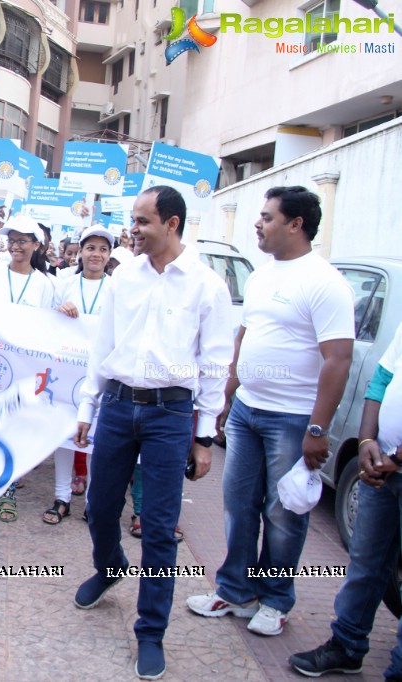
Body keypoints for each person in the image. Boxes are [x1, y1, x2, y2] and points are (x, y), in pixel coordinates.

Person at [71, 185, 233, 680]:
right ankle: (110, 566)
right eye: (133, 221)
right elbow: (103, 346)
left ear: (172, 224)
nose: (132, 231)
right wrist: (87, 404)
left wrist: (203, 438)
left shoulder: (207, 286)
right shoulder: (125, 280)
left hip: (171, 415)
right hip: (118, 406)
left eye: (142, 221)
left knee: (160, 527)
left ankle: (151, 631)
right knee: (99, 508)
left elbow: (214, 365)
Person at [187, 186, 354, 637]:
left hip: (293, 418)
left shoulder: (325, 282)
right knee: (239, 505)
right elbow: (245, 337)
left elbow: (338, 358)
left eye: (266, 217)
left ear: (295, 224)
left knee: (283, 514)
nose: (258, 224)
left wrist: (317, 428)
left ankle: (276, 599)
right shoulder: (262, 275)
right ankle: (236, 591)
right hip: (247, 412)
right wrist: (227, 394)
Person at [287, 321, 402, 678]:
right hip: (384, 463)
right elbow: (382, 379)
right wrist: (368, 441)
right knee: (366, 561)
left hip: (392, 462)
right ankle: (347, 644)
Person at [0, 212, 56, 521]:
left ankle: (6, 491)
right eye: (12, 240)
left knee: (12, 431)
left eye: (22, 241)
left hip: (23, 369)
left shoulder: (45, 285)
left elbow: (48, 328)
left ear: (36, 245)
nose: (16, 246)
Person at [46, 225, 112, 525]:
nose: (95, 254)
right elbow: (47, 319)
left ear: (109, 255)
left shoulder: (116, 288)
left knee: (99, 437)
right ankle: (61, 498)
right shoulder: (64, 283)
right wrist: (61, 309)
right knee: (64, 432)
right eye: (90, 248)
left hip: (102, 374)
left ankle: (92, 502)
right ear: (80, 252)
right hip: (67, 369)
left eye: (102, 249)